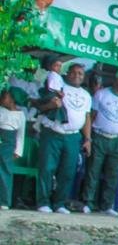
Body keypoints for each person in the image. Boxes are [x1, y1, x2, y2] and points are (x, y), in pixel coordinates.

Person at [33, 63, 92, 213]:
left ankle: (59, 204)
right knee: (47, 167)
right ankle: (43, 202)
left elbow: (87, 117)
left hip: (73, 136)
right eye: (74, 72)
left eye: (80, 74)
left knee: (67, 171)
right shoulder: (57, 85)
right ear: (67, 74)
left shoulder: (86, 95)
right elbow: (40, 107)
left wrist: (87, 139)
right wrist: (51, 105)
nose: (77, 76)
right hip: (53, 133)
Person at [81, 69, 118, 215]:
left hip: (117, 139)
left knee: (113, 174)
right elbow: (91, 116)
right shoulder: (101, 94)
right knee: (93, 170)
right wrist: (89, 138)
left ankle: (106, 205)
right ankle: (88, 202)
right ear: (115, 79)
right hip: (99, 136)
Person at [0, 88, 27, 209]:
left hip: (9, 144)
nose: (1, 99)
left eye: (4, 97)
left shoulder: (20, 115)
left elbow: (21, 134)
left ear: (12, 100)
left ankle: (4, 201)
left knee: (5, 171)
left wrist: (18, 150)